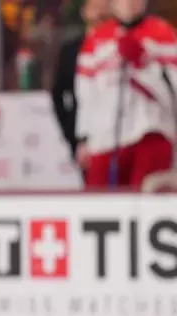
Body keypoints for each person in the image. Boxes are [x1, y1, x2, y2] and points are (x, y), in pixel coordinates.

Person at [75, 0, 177, 189]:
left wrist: (144, 64)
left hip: (151, 132)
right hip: (106, 138)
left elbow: (172, 92)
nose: (128, 3)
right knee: (100, 203)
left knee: (146, 204)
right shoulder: (96, 39)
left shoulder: (163, 34)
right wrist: (84, 137)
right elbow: (86, 94)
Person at [52, 0, 111, 165]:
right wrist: (74, 139)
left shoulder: (118, 47)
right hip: (86, 139)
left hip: (118, 137)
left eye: (104, 7)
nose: (100, 13)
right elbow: (58, 94)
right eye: (94, 7)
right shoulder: (71, 50)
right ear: (84, 12)